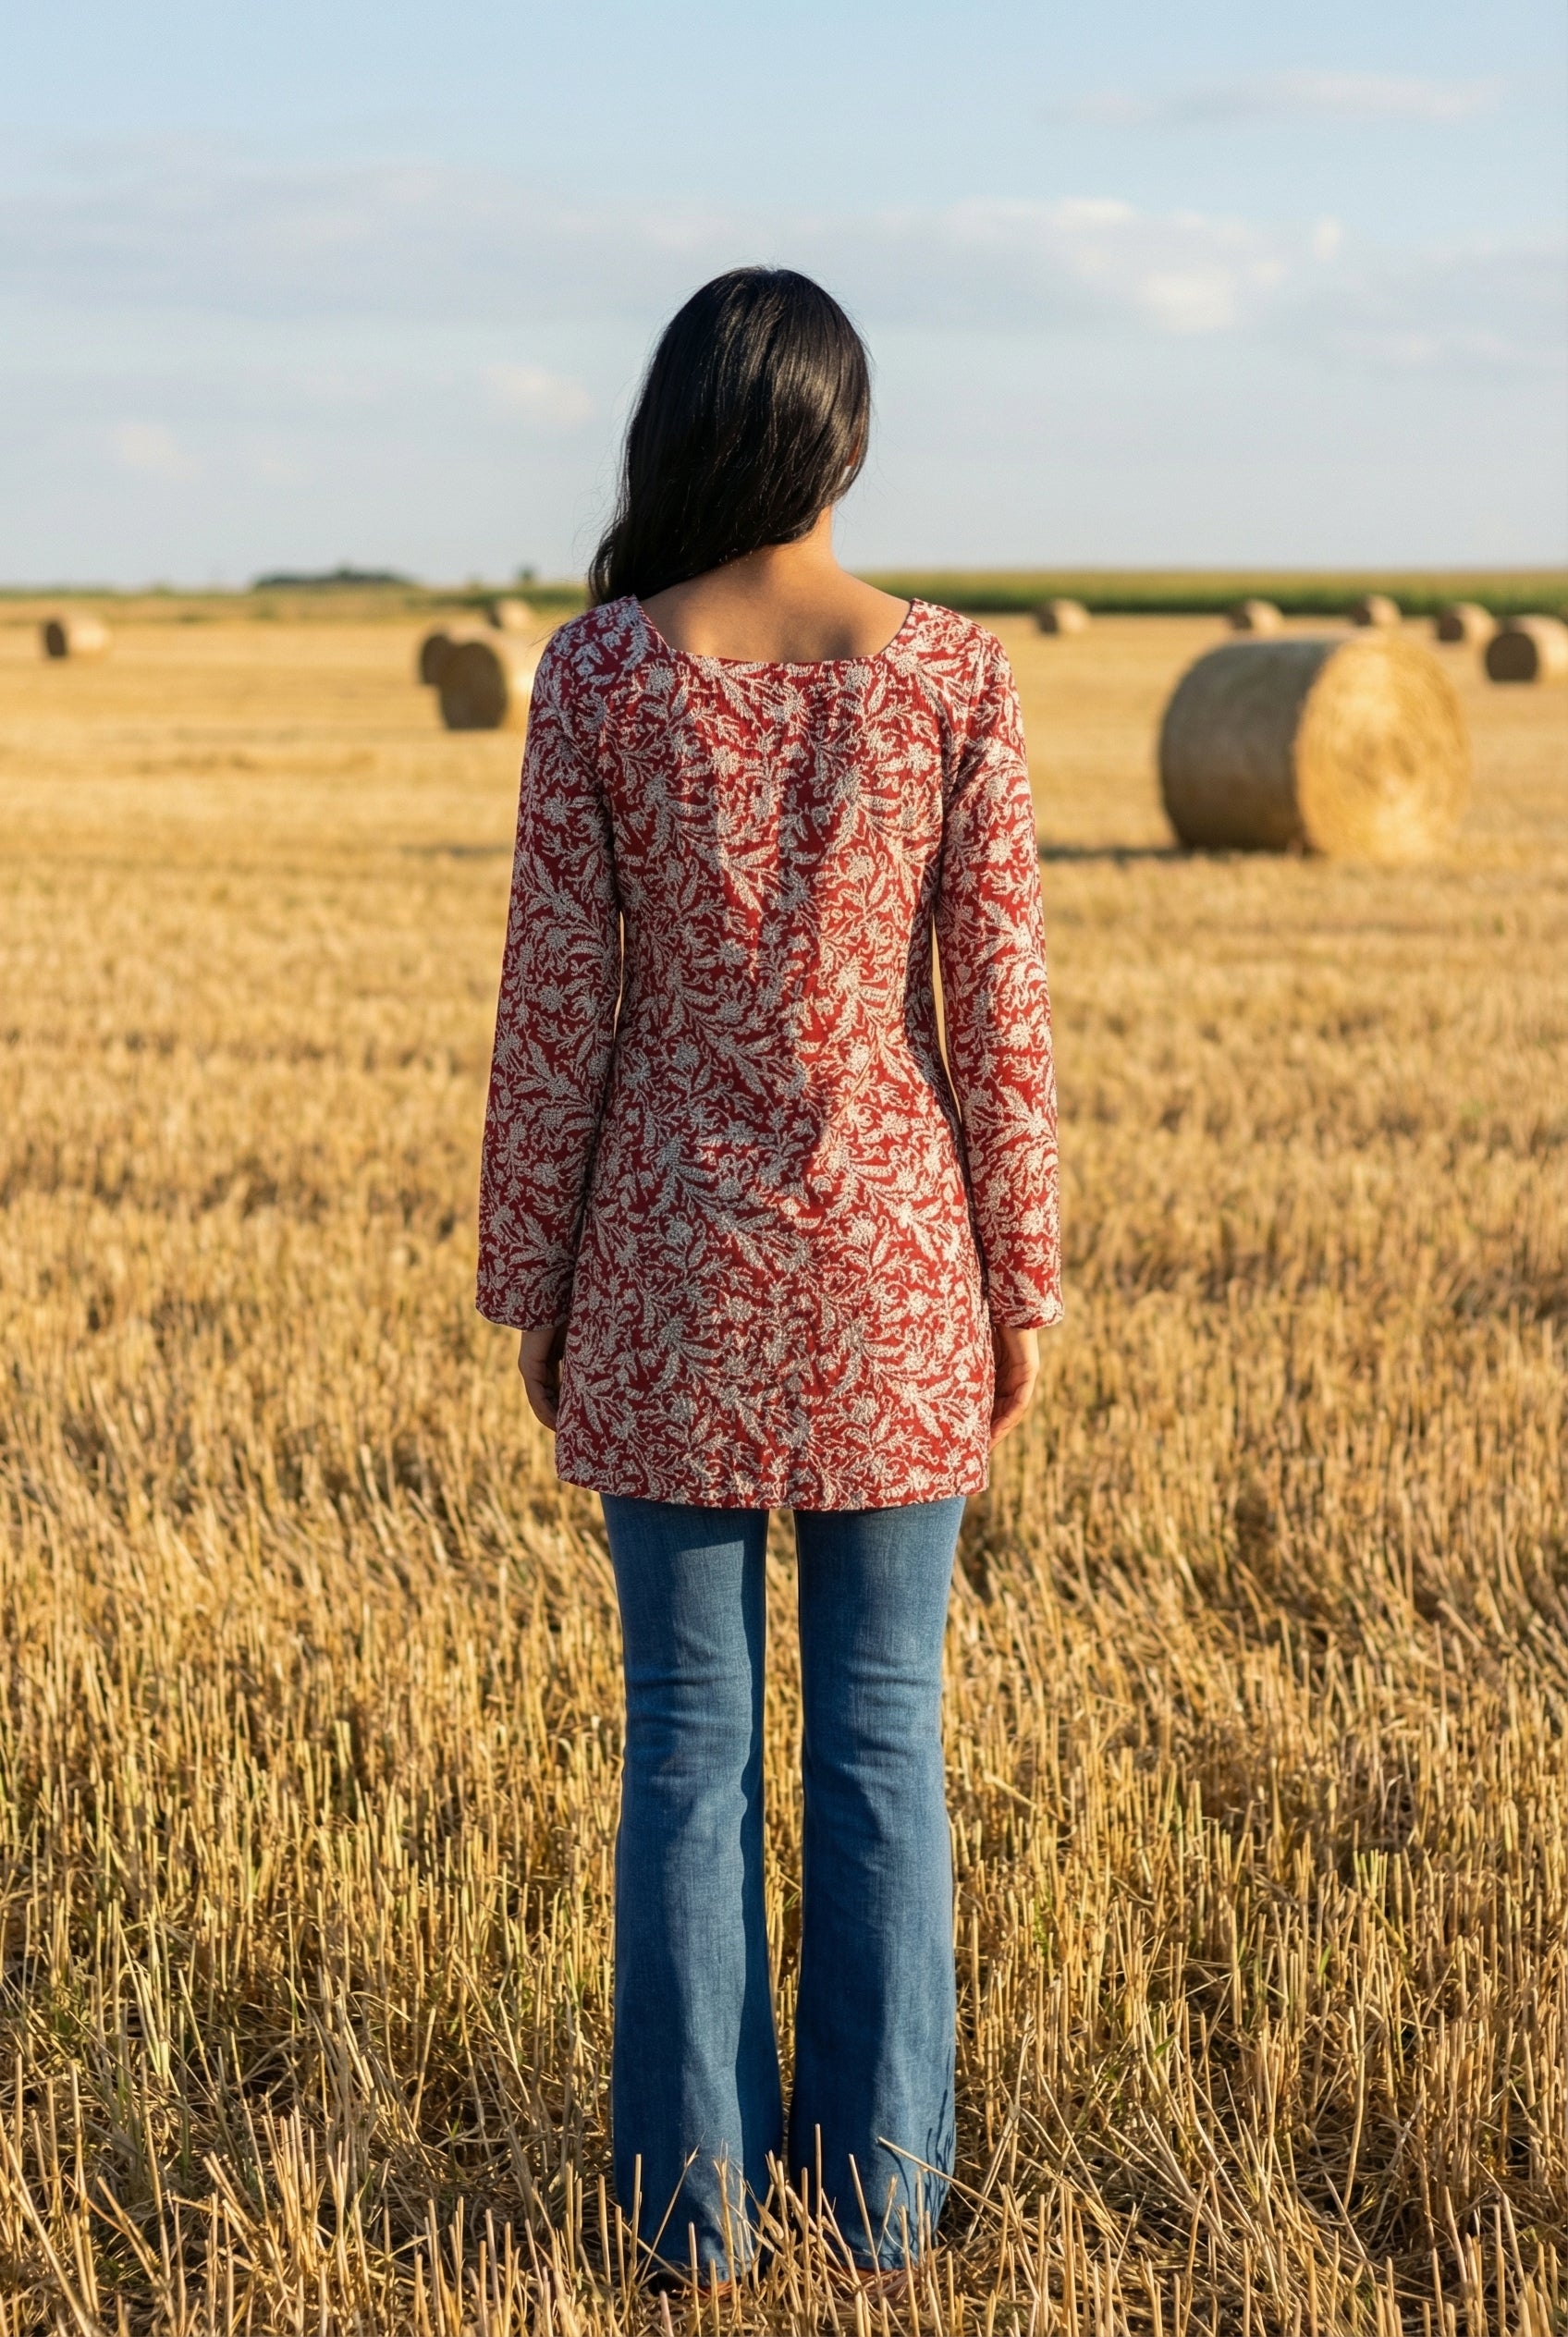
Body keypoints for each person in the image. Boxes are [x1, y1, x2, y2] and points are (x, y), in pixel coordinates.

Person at [476, 267, 1060, 2292]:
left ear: (681, 429)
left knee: (683, 1750)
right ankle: (882, 2208)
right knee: (883, 1745)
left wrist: (531, 1276)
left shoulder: (598, 675)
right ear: (844, 439)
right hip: (898, 1265)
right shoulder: (955, 675)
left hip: (663, 1264)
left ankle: (688, 2219)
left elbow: (556, 1006)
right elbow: (997, 1017)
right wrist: (1020, 1278)